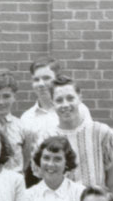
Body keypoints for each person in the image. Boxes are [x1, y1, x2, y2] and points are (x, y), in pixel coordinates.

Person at [34, 76, 113, 191]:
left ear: (80, 98)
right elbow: (43, 178)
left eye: (70, 98)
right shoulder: (46, 137)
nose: (65, 105)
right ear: (52, 103)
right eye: (59, 100)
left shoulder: (101, 132)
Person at [19, 57, 92, 186]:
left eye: (46, 78)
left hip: (77, 180)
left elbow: (87, 147)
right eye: (36, 79)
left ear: (56, 79)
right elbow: (28, 160)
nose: (41, 84)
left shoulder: (77, 109)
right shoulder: (27, 118)